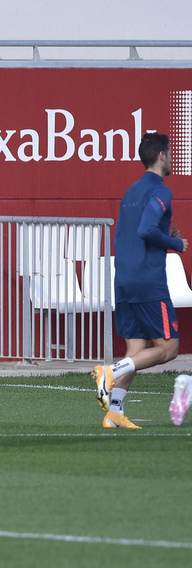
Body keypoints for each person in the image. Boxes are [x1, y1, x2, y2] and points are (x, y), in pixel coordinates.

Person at [94, 132, 185, 428]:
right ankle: (109, 371)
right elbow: (146, 229)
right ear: (161, 156)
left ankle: (115, 412)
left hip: (124, 278)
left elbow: (132, 233)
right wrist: (176, 245)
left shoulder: (132, 190)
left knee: (136, 351)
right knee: (169, 348)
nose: (171, 158)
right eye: (169, 153)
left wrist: (163, 238)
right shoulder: (161, 190)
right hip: (148, 281)